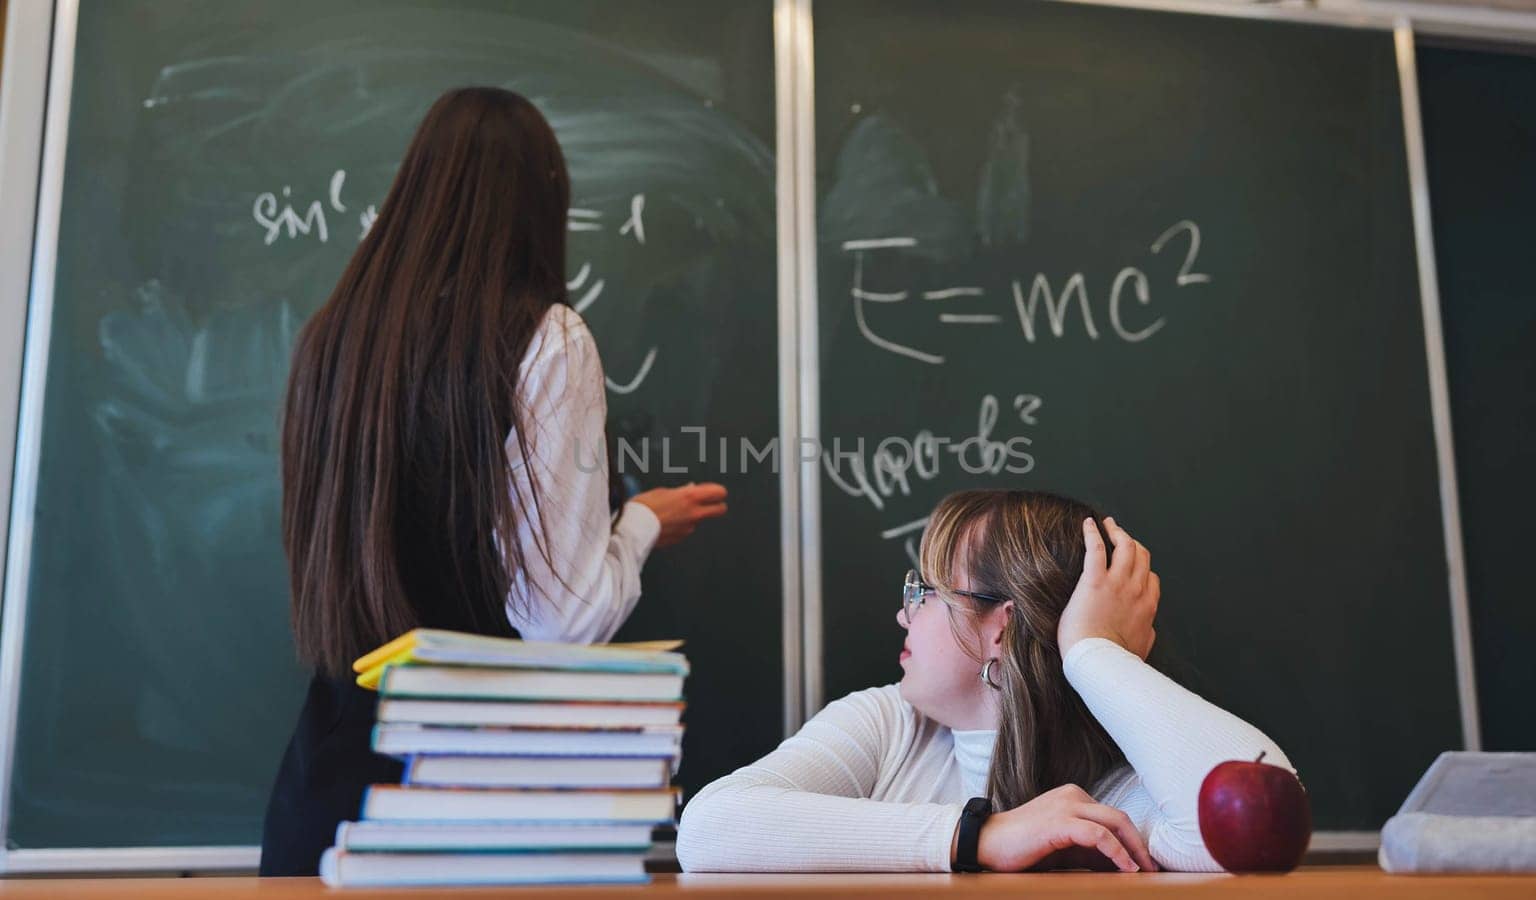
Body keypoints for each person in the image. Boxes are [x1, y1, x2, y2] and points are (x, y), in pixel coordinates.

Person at [259, 87, 727, 875]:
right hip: (461, 804)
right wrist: (640, 524)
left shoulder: (330, 343)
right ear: (541, 205)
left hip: (325, 796)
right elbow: (562, 619)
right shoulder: (546, 337)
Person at [677, 489, 1294, 873]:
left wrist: (1091, 654)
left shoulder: (1121, 784)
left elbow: (1252, 831)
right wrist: (980, 837)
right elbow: (710, 828)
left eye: (926, 592)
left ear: (1002, 628)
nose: (903, 613)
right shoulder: (887, 724)